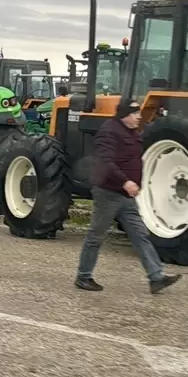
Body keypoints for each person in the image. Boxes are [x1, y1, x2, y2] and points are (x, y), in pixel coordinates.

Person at [76, 98, 181, 294]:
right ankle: (83, 276)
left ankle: (156, 277)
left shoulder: (132, 133)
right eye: (135, 114)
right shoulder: (109, 132)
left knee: (140, 235)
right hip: (108, 193)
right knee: (96, 236)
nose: (138, 117)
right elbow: (105, 162)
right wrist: (125, 181)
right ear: (125, 115)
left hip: (126, 196)